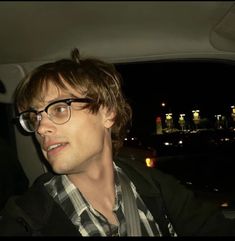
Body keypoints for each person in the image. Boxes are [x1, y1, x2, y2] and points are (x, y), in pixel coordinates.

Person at [0, 48, 234, 236]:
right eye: (34, 117)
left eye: (60, 109)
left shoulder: (155, 186)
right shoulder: (26, 221)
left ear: (107, 113)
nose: (40, 128)